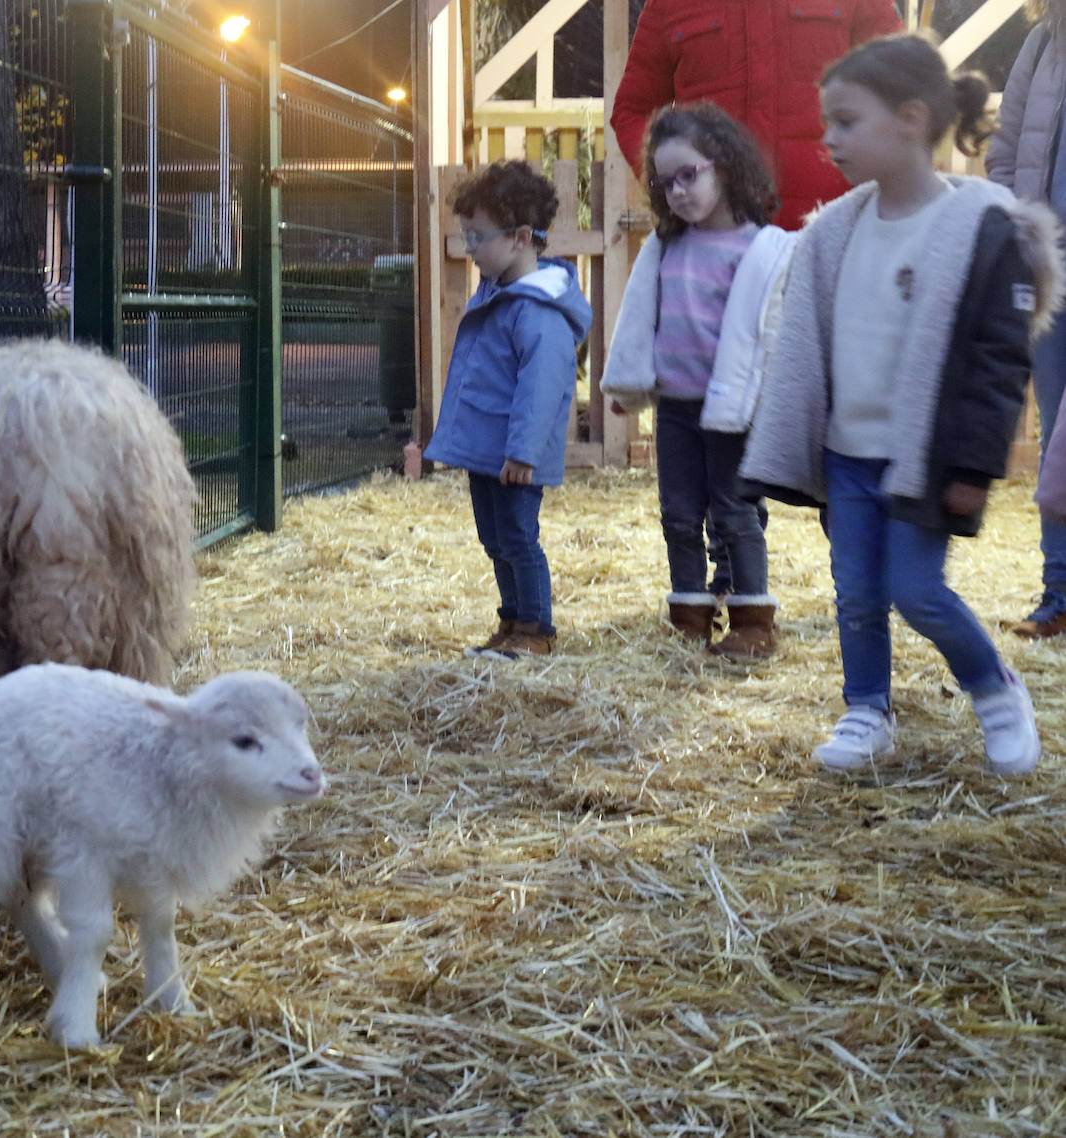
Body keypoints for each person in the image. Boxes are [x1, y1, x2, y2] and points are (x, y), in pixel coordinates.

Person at [741, 34, 1063, 776]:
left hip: (923, 456)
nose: (830, 139)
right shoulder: (834, 231)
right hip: (848, 454)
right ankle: (865, 710)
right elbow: (803, 342)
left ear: (912, 119)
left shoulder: (981, 231)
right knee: (855, 593)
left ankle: (996, 687)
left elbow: (996, 361)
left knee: (915, 592)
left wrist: (974, 465)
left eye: (848, 122)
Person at [601, 102, 793, 658]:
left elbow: (771, 332)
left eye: (689, 175)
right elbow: (643, 320)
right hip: (677, 408)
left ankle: (753, 620)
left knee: (735, 513)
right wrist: (631, 385)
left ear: (725, 166)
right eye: (665, 183)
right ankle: (689, 613)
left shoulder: (759, 248)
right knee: (679, 514)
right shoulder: (666, 246)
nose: (677, 192)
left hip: (731, 411)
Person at [424, 161, 592, 660]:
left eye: (477, 237)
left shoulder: (537, 311)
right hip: (487, 452)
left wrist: (523, 452)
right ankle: (512, 619)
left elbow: (540, 391)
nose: (469, 247)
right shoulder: (497, 296)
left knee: (519, 538)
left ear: (520, 237)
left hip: (515, 458)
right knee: (495, 540)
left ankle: (536, 628)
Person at [611, 0, 903, 231]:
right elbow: (632, 111)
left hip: (834, 236)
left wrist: (878, 196)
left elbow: (900, 87)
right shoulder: (669, 4)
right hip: (716, 244)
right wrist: (676, 186)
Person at [986, 0, 1066, 638]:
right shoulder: (1044, 41)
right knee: (1053, 433)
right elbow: (1007, 144)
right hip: (1054, 270)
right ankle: (1058, 596)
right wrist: (1022, 225)